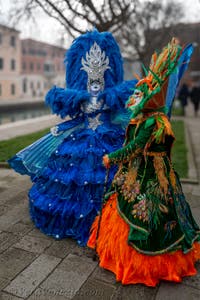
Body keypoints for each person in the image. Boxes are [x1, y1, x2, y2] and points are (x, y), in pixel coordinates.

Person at [88, 38, 200, 286]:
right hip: (138, 171)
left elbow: (135, 148)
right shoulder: (144, 118)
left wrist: (112, 157)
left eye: (139, 95)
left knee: (149, 214)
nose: (133, 99)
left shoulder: (151, 121)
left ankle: (149, 264)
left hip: (148, 175)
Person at [8, 29, 137, 246]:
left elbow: (118, 111)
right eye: (91, 83)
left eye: (99, 82)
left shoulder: (111, 97)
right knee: (75, 179)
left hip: (109, 138)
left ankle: (109, 221)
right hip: (81, 140)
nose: (95, 86)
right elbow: (75, 113)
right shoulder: (82, 98)